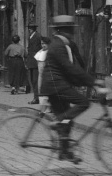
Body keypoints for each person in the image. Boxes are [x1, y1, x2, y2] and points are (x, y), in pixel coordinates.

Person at [41, 15, 106, 163]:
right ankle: (59, 122)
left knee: (67, 120)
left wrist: (89, 83)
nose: (72, 33)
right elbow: (70, 68)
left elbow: (76, 67)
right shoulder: (58, 45)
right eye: (69, 30)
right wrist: (93, 81)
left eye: (71, 30)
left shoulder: (65, 44)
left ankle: (64, 152)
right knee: (84, 103)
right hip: (56, 85)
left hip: (57, 84)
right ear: (63, 31)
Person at [26, 22, 42, 104]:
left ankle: (37, 98)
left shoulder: (38, 36)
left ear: (33, 29)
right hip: (31, 61)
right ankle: (36, 97)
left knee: (35, 80)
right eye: (29, 28)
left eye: (31, 28)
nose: (29, 29)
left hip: (35, 60)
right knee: (32, 80)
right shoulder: (30, 36)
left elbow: (39, 48)